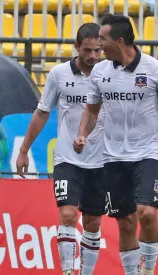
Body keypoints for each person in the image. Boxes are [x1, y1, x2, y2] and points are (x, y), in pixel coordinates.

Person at [73, 14, 158, 275]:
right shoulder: (100, 72)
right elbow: (91, 111)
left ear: (120, 41)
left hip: (147, 154)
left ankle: (147, 270)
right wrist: (83, 134)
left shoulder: (155, 70)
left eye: (103, 39)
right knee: (125, 223)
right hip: (112, 158)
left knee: (146, 213)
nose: (99, 44)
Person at [16, 23, 105, 275]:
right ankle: (67, 271)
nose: (93, 57)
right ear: (76, 47)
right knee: (67, 214)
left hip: (101, 160)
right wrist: (24, 150)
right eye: (87, 50)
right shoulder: (58, 74)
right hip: (68, 158)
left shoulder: (108, 74)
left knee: (92, 222)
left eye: (98, 51)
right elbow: (42, 112)